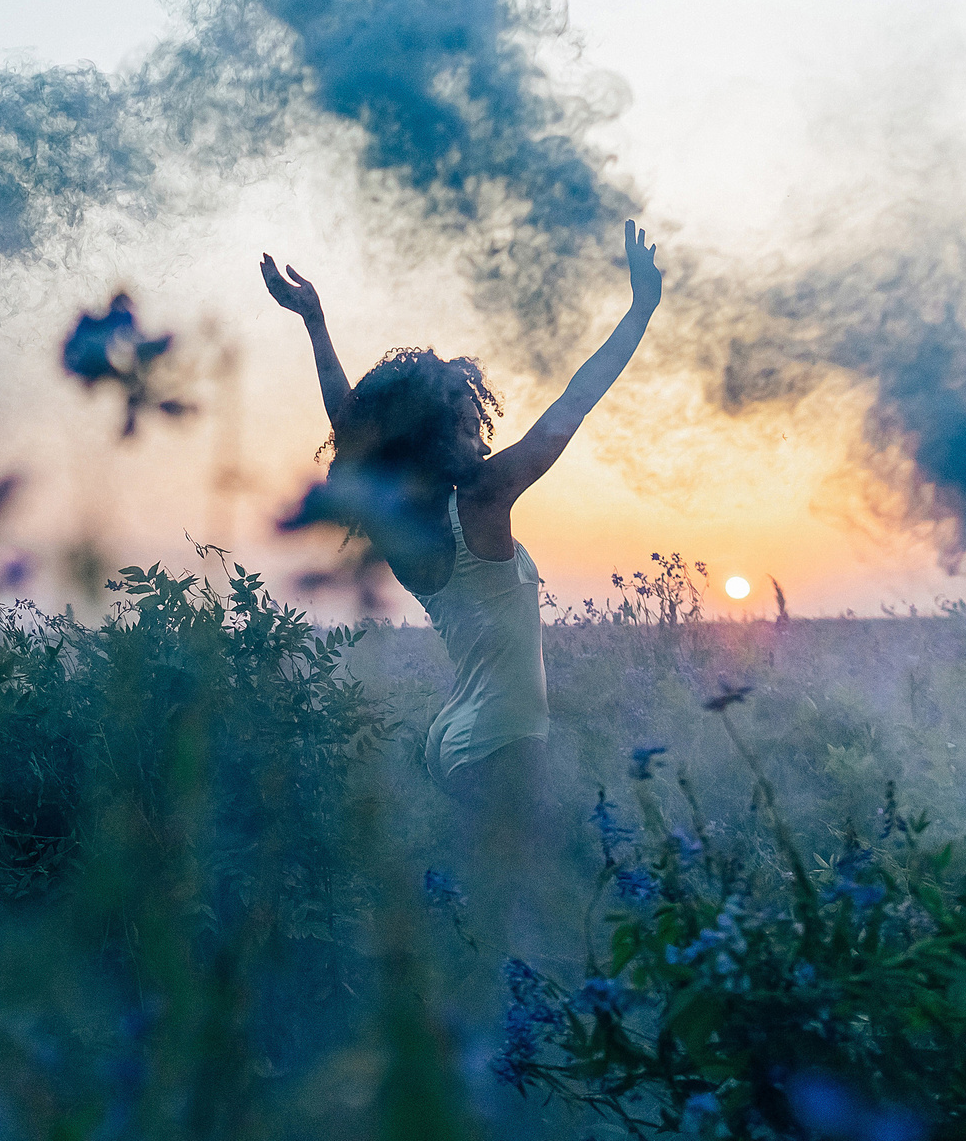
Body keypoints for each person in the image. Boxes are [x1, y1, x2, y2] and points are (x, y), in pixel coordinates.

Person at [261, 223, 664, 930]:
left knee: (516, 898)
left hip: (455, 740)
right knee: (546, 917)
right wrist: (639, 314)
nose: (480, 428)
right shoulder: (479, 500)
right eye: (465, 416)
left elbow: (350, 423)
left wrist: (317, 324)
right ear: (438, 432)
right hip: (503, 740)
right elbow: (569, 411)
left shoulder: (402, 524)